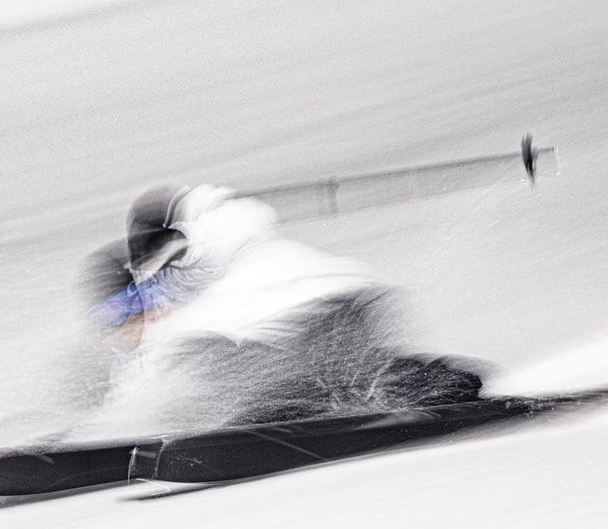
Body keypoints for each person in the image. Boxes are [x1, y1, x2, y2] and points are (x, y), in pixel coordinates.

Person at [73, 184, 483, 438]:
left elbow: (216, 241)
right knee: (280, 394)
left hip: (330, 315)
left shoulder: (196, 266)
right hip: (332, 318)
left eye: (124, 318)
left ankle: (438, 385)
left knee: (303, 389)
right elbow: (139, 389)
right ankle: (433, 381)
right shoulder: (168, 304)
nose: (125, 331)